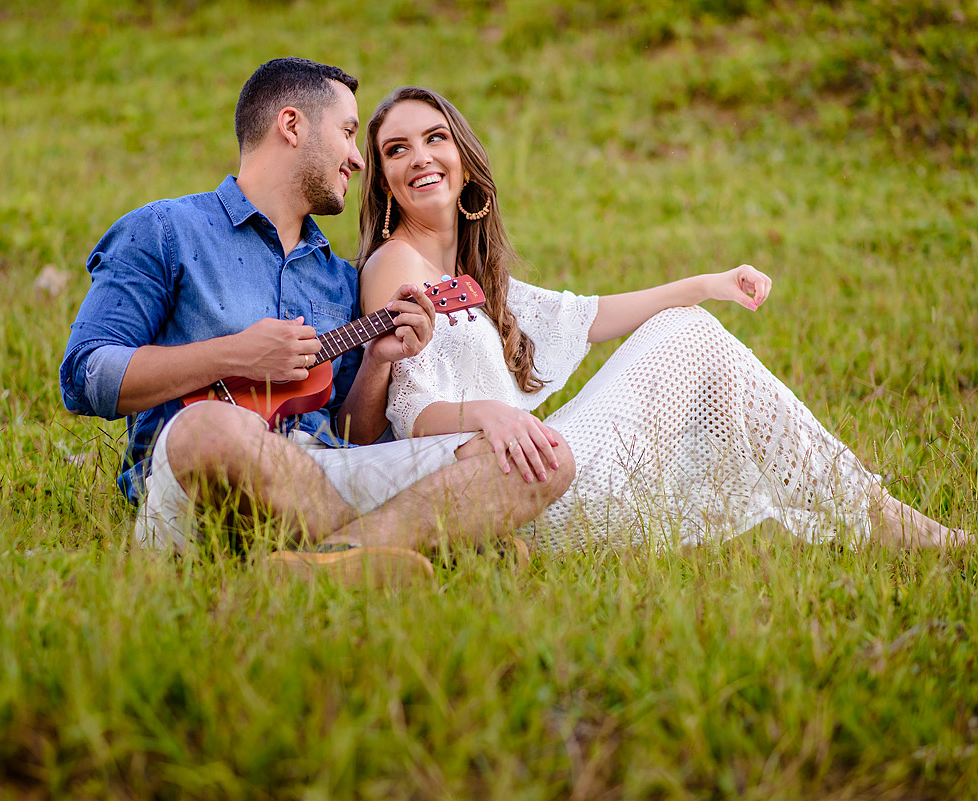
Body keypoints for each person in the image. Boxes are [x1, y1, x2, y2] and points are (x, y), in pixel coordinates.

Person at [356, 85, 970, 551]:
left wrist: (709, 283)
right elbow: (404, 412)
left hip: (536, 462)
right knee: (688, 333)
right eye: (396, 149)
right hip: (508, 490)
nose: (420, 157)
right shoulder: (394, 265)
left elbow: (584, 316)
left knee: (686, 324)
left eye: (435, 138)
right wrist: (488, 413)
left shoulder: (473, 277)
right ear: (383, 179)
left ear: (462, 155)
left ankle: (856, 496)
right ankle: (877, 512)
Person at [60, 61, 575, 584]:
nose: (357, 157)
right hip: (199, 472)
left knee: (540, 457)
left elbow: (355, 434)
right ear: (291, 125)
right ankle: (418, 542)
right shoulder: (167, 230)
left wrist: (377, 362)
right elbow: (86, 377)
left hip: (318, 472)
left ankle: (326, 560)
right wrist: (234, 354)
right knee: (209, 428)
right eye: (349, 133)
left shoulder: (338, 278)